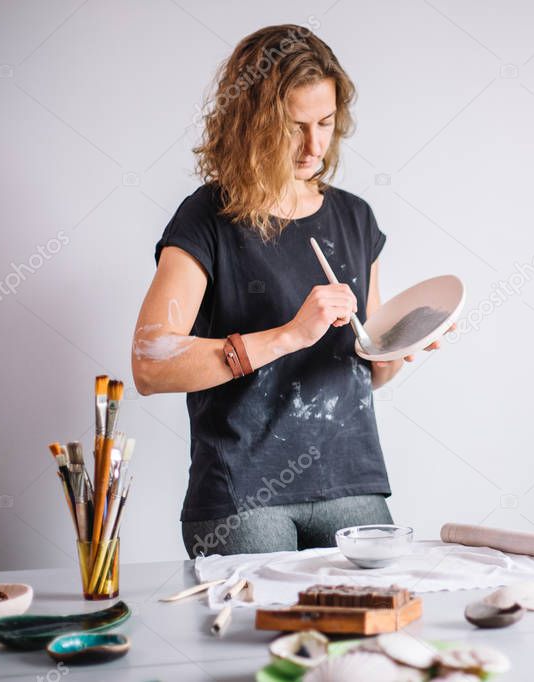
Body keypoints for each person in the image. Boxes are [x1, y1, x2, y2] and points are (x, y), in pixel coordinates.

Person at [131, 24, 442, 557]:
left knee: (377, 630)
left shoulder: (355, 217)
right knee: (265, 638)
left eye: (325, 122)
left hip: (353, 480)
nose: (315, 146)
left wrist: (400, 346)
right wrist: (290, 334)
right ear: (250, 124)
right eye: (293, 127)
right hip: (243, 493)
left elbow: (369, 369)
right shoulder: (209, 216)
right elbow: (150, 364)